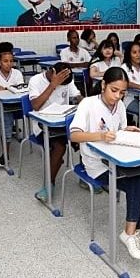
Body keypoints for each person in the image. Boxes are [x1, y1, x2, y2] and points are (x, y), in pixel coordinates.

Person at [70, 67, 140, 260]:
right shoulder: (88, 104)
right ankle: (132, 232)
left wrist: (127, 130)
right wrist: (100, 136)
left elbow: (119, 131)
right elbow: (74, 135)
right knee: (137, 184)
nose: (117, 96)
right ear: (103, 85)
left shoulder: (120, 105)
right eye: (113, 90)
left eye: (122, 93)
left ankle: (132, 232)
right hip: (96, 164)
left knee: (139, 177)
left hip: (117, 158)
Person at [28, 62, 82, 201]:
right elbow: (36, 105)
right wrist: (53, 85)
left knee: (85, 137)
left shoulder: (66, 78)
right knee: (59, 147)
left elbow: (77, 96)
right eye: (61, 82)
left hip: (62, 123)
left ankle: (85, 175)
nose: (62, 85)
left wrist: (84, 103)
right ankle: (49, 184)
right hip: (42, 125)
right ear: (52, 72)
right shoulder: (35, 80)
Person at [0, 42, 25, 167]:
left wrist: (2, 89)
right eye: (5, 61)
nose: (9, 64)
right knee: (6, 114)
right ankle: (5, 154)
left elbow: (21, 91)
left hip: (16, 105)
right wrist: (9, 89)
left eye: (11, 61)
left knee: (31, 109)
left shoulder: (17, 73)